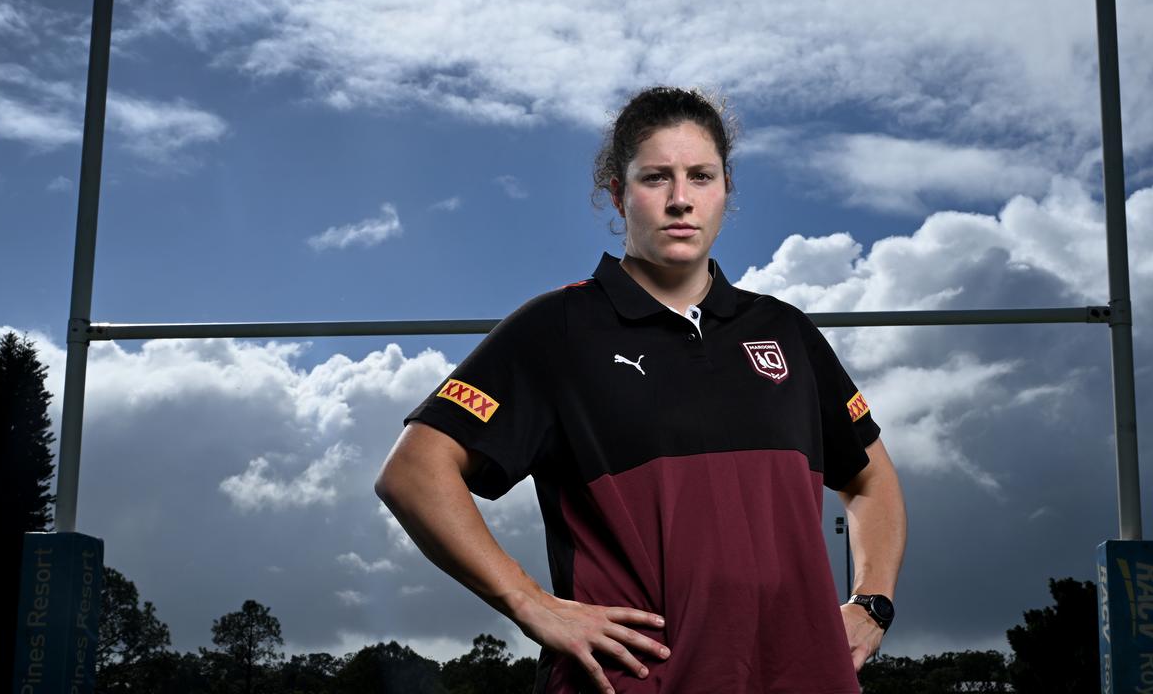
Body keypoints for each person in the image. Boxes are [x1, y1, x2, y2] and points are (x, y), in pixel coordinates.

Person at [375, 87, 906, 693]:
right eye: (656, 178)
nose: (681, 199)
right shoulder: (558, 329)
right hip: (633, 681)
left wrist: (872, 603)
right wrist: (529, 602)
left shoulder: (786, 330)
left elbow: (872, 478)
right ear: (617, 193)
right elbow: (413, 471)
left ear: (725, 188)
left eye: (700, 176)